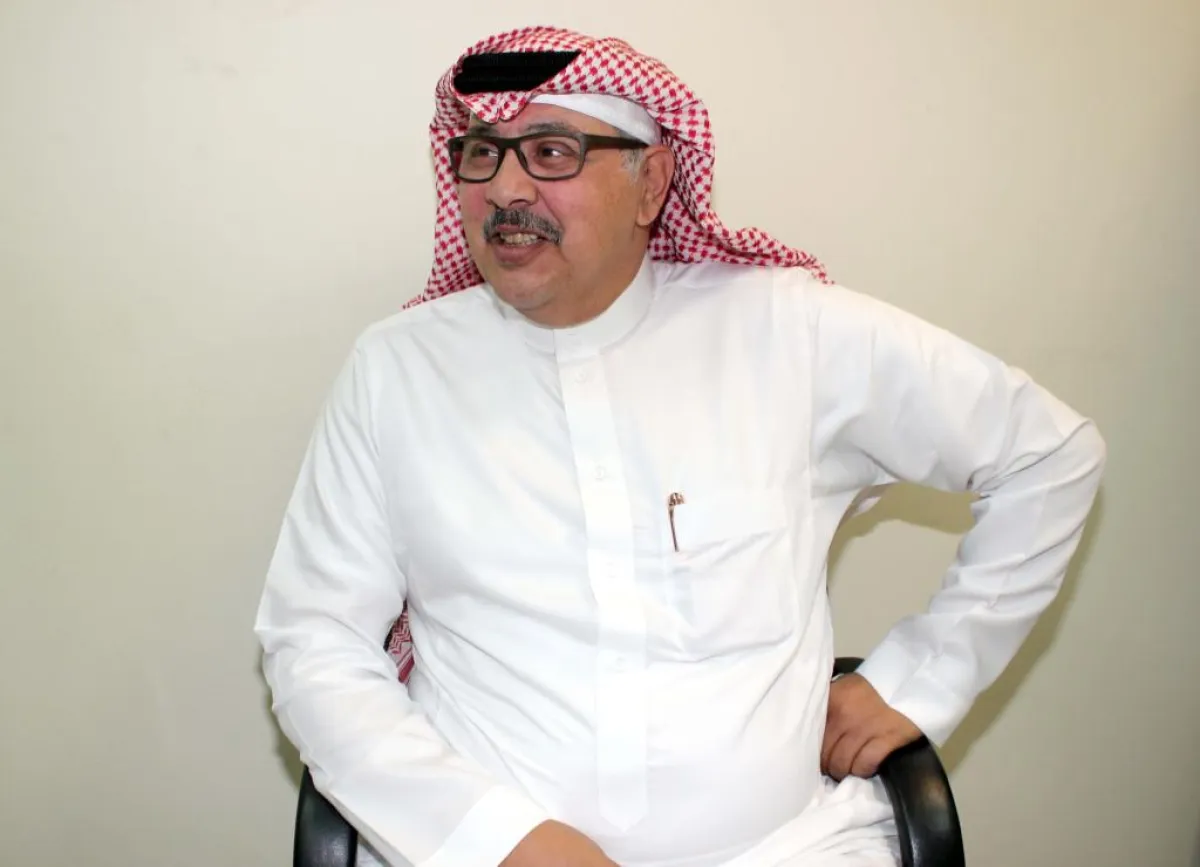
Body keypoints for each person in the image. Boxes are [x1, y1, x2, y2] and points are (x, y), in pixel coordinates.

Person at [255, 25, 1106, 867]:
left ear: (652, 183)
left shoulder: (789, 333)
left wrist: (922, 678)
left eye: (550, 151)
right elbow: (313, 641)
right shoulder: (396, 370)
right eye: (482, 153)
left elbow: (1048, 453)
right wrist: (498, 840)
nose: (505, 188)